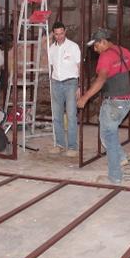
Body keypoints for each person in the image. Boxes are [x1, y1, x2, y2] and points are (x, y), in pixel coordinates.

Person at [77, 27, 130, 184]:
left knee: (108, 137)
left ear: (103, 42)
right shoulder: (124, 51)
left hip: (113, 103)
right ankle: (120, 157)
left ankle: (115, 175)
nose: (95, 49)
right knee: (108, 133)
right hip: (126, 102)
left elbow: (100, 80)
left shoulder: (105, 57)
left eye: (96, 45)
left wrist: (85, 97)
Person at [48, 21, 81, 157]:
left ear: (65, 32)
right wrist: (51, 82)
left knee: (71, 115)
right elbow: (51, 67)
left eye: (61, 33)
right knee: (57, 116)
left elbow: (79, 67)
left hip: (71, 84)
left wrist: (79, 85)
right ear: (53, 34)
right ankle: (60, 144)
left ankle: (72, 146)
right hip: (56, 83)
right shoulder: (51, 49)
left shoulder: (73, 47)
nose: (59, 36)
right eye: (56, 34)